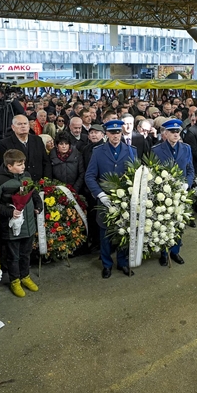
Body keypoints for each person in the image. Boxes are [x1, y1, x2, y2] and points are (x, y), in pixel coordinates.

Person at [85, 119, 137, 279]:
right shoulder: (98, 151)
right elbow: (90, 176)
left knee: (123, 231)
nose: (116, 136)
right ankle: (106, 264)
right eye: (112, 133)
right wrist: (100, 194)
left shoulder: (130, 150)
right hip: (105, 200)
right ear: (106, 134)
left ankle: (122, 262)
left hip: (124, 200)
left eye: (118, 132)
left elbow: (136, 174)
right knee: (105, 234)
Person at [0, 149, 42, 297]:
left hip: (28, 224)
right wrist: (10, 212)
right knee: (13, 256)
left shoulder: (26, 176)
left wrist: (38, 205)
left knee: (26, 254)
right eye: (19, 164)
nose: (23, 166)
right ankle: (15, 281)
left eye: (24, 163)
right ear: (9, 166)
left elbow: (33, 193)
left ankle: (25, 276)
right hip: (12, 228)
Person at [151, 119, 195, 266]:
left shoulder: (186, 148)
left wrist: (186, 184)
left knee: (179, 223)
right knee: (163, 223)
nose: (176, 134)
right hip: (164, 192)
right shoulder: (156, 150)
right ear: (165, 133)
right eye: (173, 132)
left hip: (181, 192)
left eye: (178, 132)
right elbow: (153, 172)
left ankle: (175, 252)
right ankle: (164, 252)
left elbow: (190, 170)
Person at [0, 115, 52, 181]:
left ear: (29, 126)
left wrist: (47, 180)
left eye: (25, 123)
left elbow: (46, 162)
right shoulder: (5, 143)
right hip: (18, 184)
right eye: (19, 124)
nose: (23, 126)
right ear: (13, 127)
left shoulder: (37, 140)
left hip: (39, 182)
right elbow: (5, 166)